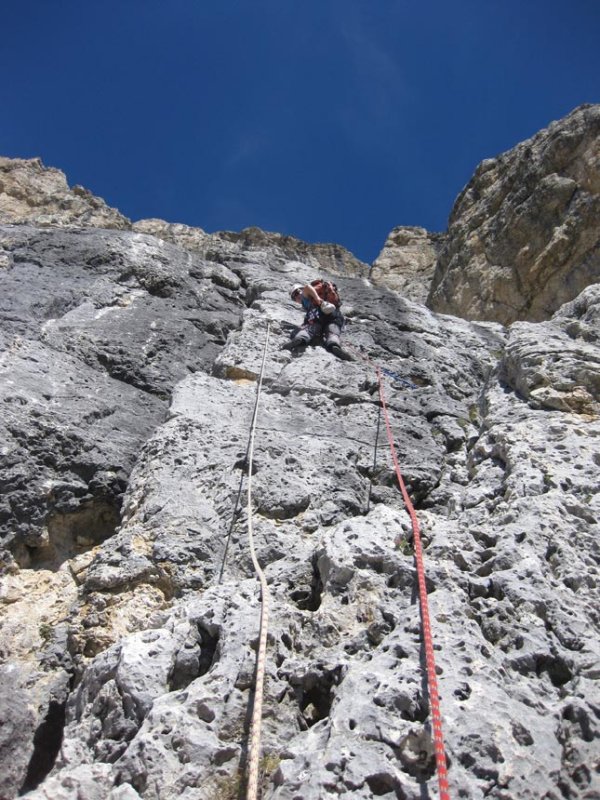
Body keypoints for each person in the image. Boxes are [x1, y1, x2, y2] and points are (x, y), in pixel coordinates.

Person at [282, 281, 354, 361]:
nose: (296, 298)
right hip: (334, 315)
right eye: (294, 297)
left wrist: (317, 299)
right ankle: (334, 344)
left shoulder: (306, 298)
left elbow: (307, 287)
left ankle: (300, 338)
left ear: (300, 290)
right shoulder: (325, 298)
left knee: (309, 329)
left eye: (295, 295)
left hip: (317, 316)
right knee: (332, 332)